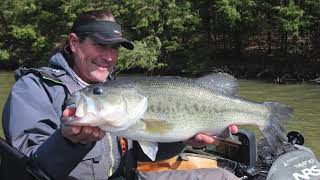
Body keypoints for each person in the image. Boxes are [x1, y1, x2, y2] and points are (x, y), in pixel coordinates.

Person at [2, 9, 239, 179]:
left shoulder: (119, 91)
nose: (109, 56)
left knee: (223, 177)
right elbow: (27, 169)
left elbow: (143, 155)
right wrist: (68, 142)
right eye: (99, 44)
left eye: (114, 47)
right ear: (74, 43)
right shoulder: (34, 88)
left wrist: (182, 138)